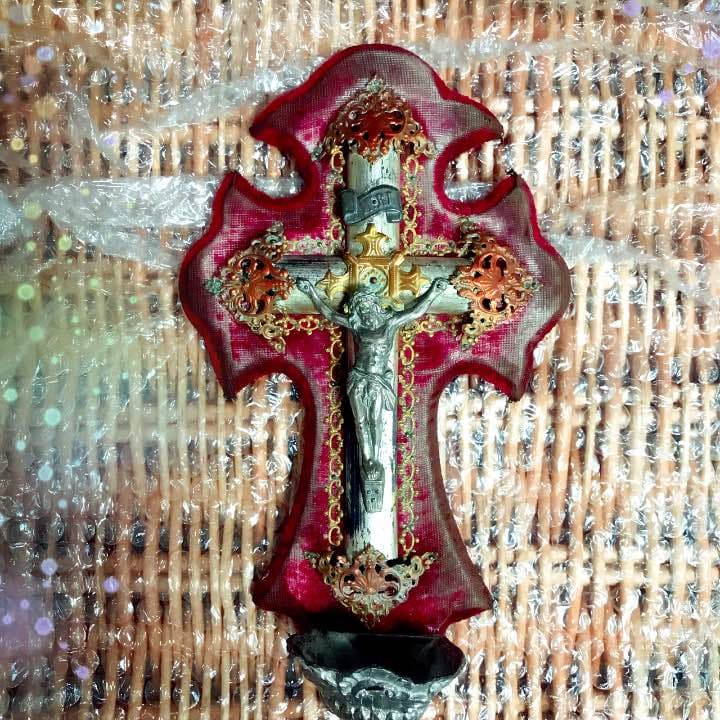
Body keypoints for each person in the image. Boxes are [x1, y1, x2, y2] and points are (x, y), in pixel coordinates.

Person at [296, 277, 448, 512]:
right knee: (360, 421)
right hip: (358, 378)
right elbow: (331, 314)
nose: (365, 314)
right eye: (361, 310)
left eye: (367, 308)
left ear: (375, 307)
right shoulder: (357, 327)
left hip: (377, 381)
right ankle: (367, 459)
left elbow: (415, 312)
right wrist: (311, 292)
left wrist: (434, 293)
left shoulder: (389, 324)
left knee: (375, 421)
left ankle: (374, 460)